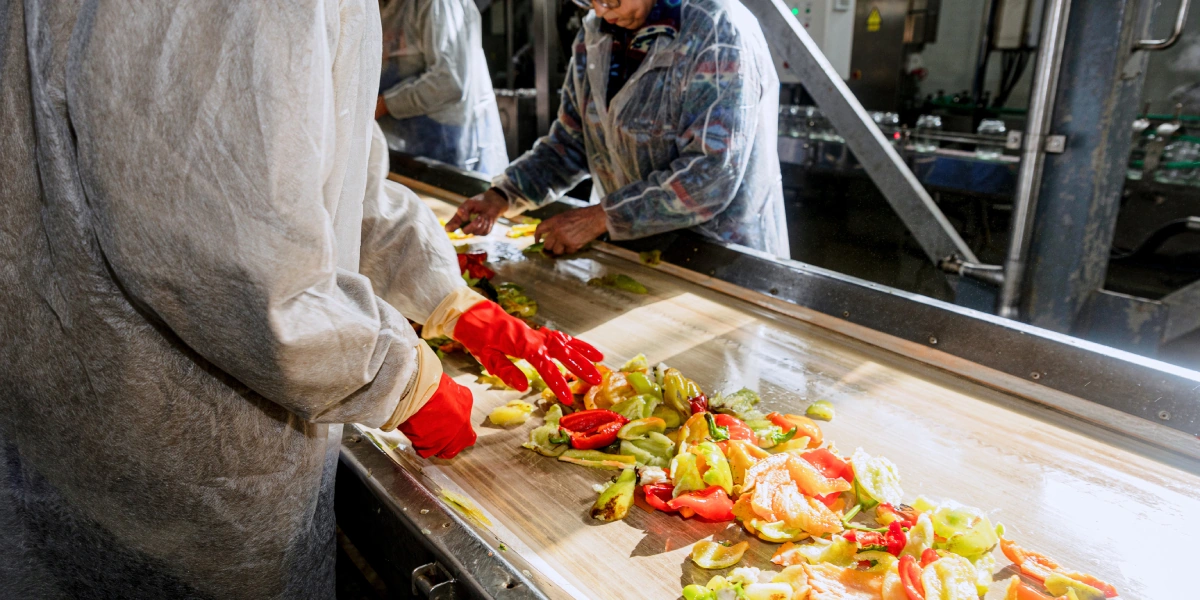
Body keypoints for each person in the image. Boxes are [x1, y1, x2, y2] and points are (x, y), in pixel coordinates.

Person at [0, 2, 598, 598]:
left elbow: (336, 172)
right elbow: (230, 252)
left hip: (93, 403)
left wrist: (449, 301)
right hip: (162, 442)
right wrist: (401, 380)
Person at [444, 0, 789, 257]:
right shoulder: (597, 33)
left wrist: (602, 217)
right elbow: (573, 141)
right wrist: (502, 196)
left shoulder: (716, 31)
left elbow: (712, 173)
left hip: (721, 256)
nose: (601, 9)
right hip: (636, 247)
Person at [375, 0, 510, 176]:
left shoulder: (439, 4)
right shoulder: (385, 6)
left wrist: (384, 105)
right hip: (407, 146)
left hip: (450, 143)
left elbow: (448, 82)